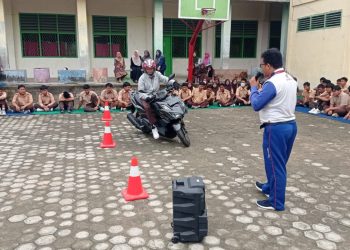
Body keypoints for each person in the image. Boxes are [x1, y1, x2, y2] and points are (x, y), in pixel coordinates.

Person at [249, 48, 298, 211]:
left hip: (275, 128)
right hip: (290, 125)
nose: (261, 68)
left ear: (269, 66)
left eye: (262, 65)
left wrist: (254, 88)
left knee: (276, 165)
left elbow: (256, 104)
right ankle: (270, 187)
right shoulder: (290, 78)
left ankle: (276, 202)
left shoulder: (273, 82)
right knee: (278, 163)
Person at [138, 59, 169, 139]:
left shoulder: (157, 74)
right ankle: (153, 126)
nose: (149, 70)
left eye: (151, 68)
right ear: (145, 69)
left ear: (154, 68)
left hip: (156, 94)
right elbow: (140, 92)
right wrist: (147, 97)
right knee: (148, 107)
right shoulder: (142, 78)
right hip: (146, 96)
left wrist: (173, 82)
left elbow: (165, 79)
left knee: (167, 101)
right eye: (147, 69)